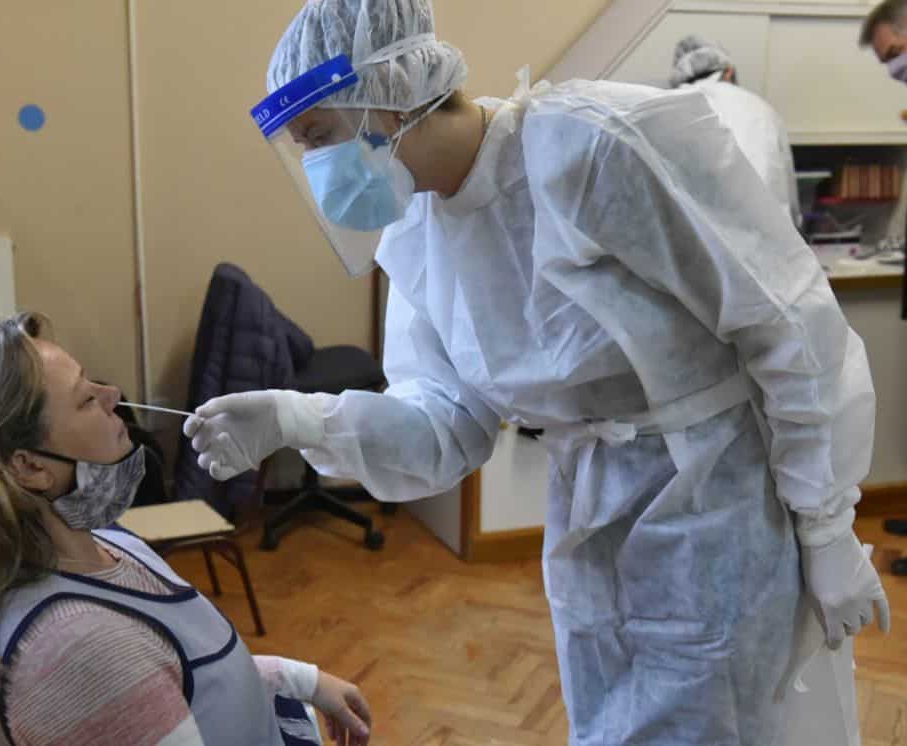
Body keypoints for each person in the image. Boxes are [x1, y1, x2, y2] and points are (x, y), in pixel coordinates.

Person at [186, 0, 891, 743]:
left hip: (716, 497)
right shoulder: (416, 231)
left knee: (717, 725)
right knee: (611, 722)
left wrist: (825, 527)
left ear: (389, 92)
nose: (321, 168)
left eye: (322, 137)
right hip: (589, 510)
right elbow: (443, 426)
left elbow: (787, 326)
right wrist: (298, 418)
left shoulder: (594, 149)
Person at [0, 314, 371, 746]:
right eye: (84, 399)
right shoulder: (78, 649)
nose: (112, 394)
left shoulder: (105, 542)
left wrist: (301, 680)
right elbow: (129, 684)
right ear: (29, 466)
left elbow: (184, 679)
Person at [670, 35, 803, 228]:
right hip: (770, 240)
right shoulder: (761, 109)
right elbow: (788, 184)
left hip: (697, 239)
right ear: (729, 72)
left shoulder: (670, 105)